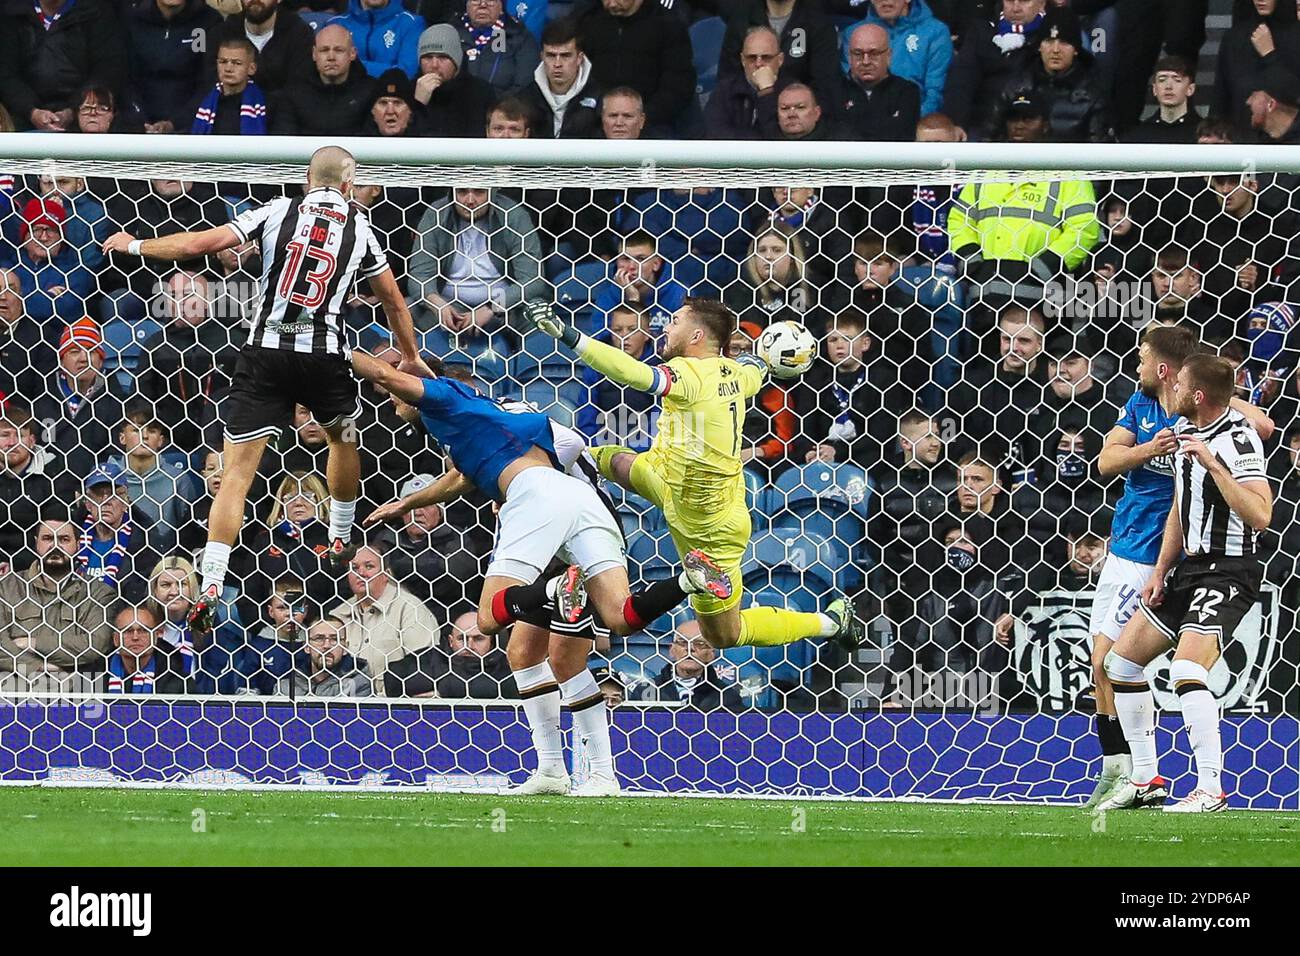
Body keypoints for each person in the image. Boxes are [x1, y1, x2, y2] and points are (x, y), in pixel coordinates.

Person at [102, 145, 428, 635]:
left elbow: (196, 248)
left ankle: (210, 580)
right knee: (343, 439)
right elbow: (395, 304)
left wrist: (133, 245)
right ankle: (340, 534)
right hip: (323, 355)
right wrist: (410, 355)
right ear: (348, 184)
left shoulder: (278, 211)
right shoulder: (362, 230)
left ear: (305, 180)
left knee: (237, 474)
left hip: (265, 355)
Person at [524, 296, 863, 653]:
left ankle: (830, 621)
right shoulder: (736, 373)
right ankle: (541, 480)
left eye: (674, 321)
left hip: (708, 524)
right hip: (671, 480)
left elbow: (630, 371)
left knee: (724, 636)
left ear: (697, 334)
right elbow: (758, 369)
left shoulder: (689, 374)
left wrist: (567, 334)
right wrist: (766, 360)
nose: (666, 328)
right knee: (599, 459)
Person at [346, 349, 727, 652]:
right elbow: (462, 477)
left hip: (534, 495)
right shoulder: (476, 418)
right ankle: (689, 578)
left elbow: (382, 374)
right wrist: (405, 504)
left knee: (487, 619)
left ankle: (553, 590)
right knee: (621, 617)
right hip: (580, 498)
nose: (392, 401)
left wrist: (327, 346)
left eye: (398, 394)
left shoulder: (445, 399)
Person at [363, 380, 624, 795]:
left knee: (564, 657)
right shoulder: (485, 431)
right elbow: (459, 477)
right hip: (545, 538)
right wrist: (407, 504)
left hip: (574, 537)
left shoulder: (504, 423)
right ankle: (553, 771)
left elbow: (572, 447)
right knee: (522, 652)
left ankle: (603, 774)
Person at [1089, 327, 1273, 809]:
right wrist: (1160, 571)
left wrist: (1215, 466)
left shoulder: (1236, 440)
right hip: (1184, 568)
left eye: (1179, 384)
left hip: (1228, 570)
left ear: (1195, 392)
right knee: (1119, 664)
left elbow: (1261, 515)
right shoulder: (1186, 434)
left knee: (1187, 668)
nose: (1168, 389)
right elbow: (1179, 510)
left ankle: (1211, 788)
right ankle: (1145, 779)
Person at [407, 187, 547, 336]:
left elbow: (533, 280)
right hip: (451, 307)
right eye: (462, 192)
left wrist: (491, 308)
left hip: (506, 308)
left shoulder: (514, 215)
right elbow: (419, 277)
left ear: (492, 192)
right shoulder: (435, 214)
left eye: (479, 192)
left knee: (539, 314)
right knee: (405, 309)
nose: (470, 201)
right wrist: (437, 304)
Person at [133, 271, 243, 455]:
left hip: (225, 444)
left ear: (207, 301)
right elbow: (141, 397)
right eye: (173, 296)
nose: (180, 302)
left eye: (188, 295)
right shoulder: (157, 346)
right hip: (168, 446)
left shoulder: (233, 343)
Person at [0, 519, 115, 692]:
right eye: (47, 538)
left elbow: (96, 644)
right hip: (13, 691)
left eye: (64, 539)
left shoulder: (99, 593)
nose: (55, 546)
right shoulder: (7, 587)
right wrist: (39, 667)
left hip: (76, 692)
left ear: (78, 545)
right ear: (35, 543)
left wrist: (33, 643)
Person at [990, 5, 1112, 143]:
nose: (1055, 50)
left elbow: (1099, 152)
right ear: (1039, 47)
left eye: (1064, 43)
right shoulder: (1015, 86)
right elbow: (991, 138)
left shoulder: (1092, 94)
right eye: (1049, 41)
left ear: (1076, 49)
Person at [0, 0, 128, 131]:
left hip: (83, 118)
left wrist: (73, 110)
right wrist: (31, 111)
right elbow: (5, 73)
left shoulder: (97, 11)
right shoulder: (11, 11)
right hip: (22, 118)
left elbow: (108, 68)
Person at [576, 0, 695, 137]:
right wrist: (597, 115)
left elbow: (678, 85)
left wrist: (641, 118)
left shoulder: (668, 25)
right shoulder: (587, 22)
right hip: (596, 122)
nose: (611, 3)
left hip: (652, 124)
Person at [31, 319, 129, 482]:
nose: (84, 358)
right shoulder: (43, 401)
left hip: (99, 489)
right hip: (51, 491)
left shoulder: (118, 403)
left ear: (101, 360)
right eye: (75, 351)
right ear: (62, 361)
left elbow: (116, 455)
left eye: (90, 351)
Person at [104, 405, 203, 555]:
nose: (144, 436)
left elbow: (188, 531)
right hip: (113, 558)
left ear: (161, 441)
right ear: (122, 438)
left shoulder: (177, 480)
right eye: (136, 430)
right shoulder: (104, 479)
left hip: (163, 563)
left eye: (151, 431)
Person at [941, 0, 1047, 141]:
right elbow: (961, 84)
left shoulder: (1051, 34)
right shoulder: (982, 31)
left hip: (1033, 125)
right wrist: (956, 123)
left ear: (1041, 4)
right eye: (1009, 1)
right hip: (984, 125)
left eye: (1024, 1)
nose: (1015, 8)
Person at [719, 0, 839, 113]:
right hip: (748, 113)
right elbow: (727, 79)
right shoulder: (741, 19)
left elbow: (825, 87)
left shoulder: (818, 23)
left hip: (797, 118)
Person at [838, 0, 952, 116]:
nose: (885, 1)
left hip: (915, 122)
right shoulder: (854, 34)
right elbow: (849, 88)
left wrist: (910, 121)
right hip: (864, 121)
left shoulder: (936, 32)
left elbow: (935, 93)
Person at [127, 0, 225, 134]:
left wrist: (174, 124)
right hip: (137, 124)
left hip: (192, 127)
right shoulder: (132, 19)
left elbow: (209, 81)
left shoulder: (208, 21)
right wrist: (141, 120)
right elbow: (124, 77)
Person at [1212, 0, 1300, 141]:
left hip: (1291, 142)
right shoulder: (1234, 37)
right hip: (1240, 140)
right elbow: (1221, 93)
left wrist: (1270, 55)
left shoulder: (1295, 37)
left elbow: (1295, 93)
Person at [271, 24, 377, 136]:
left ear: (352, 53)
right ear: (314, 54)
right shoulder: (293, 93)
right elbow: (284, 139)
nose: (331, 57)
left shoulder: (371, 91)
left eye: (339, 50)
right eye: (324, 50)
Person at [208, 0, 316, 95]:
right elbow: (210, 85)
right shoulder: (222, 34)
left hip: (282, 113)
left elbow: (300, 89)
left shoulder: (299, 34)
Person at [836, 23, 921, 143]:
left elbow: (903, 139)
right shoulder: (832, 91)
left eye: (874, 54)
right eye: (858, 54)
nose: (866, 61)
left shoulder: (907, 92)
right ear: (849, 57)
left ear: (888, 55)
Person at [519, 17, 602, 139]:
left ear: (580, 58)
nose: (557, 64)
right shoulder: (524, 100)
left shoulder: (600, 97)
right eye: (551, 55)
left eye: (566, 56)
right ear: (542, 56)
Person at [0, 405, 62, 566]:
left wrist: (13, 565)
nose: (12, 443)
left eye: (20, 435)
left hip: (34, 568)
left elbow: (53, 535)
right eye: (5, 435)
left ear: (32, 441)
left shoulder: (53, 476)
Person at [411, 23, 498, 137]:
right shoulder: (409, 90)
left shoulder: (480, 92)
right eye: (428, 57)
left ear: (456, 60)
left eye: (443, 57)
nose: (434, 65)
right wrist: (419, 105)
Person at [704, 26, 785, 141]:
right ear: (742, 60)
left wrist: (767, 92)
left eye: (766, 57)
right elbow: (715, 135)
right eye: (752, 58)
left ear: (780, 60)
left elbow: (781, 139)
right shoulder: (724, 91)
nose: (758, 64)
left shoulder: (793, 92)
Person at [642, 620, 744, 710]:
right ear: (672, 650)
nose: (690, 648)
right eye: (683, 642)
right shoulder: (647, 691)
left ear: (711, 654)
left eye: (700, 644)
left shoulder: (726, 697)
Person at [455, 0, 539, 98]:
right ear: (466, 4)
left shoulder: (519, 37)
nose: (483, 5)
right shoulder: (451, 33)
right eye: (476, 0)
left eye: (490, 0)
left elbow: (524, 86)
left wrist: (497, 106)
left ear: (501, 6)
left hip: (503, 108)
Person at [101, 602, 190, 694]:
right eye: (128, 631)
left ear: (155, 637)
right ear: (116, 639)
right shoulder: (94, 676)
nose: (135, 637)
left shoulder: (179, 680)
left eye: (143, 630)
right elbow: (91, 708)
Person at [188, 38, 271, 136]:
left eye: (237, 63)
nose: (228, 69)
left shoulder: (268, 105)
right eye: (223, 62)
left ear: (251, 68)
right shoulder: (201, 102)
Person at [278, 613, 373, 697]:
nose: (327, 646)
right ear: (307, 647)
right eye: (319, 638)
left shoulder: (359, 682)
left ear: (345, 647)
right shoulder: (287, 685)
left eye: (335, 639)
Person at [0, 267, 55, 406]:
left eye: (11, 290)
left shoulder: (41, 337)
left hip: (20, 421)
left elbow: (45, 396)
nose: (3, 296)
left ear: (21, 297)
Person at [328, 0, 425, 79]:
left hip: (390, 98)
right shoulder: (335, 24)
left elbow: (406, 73)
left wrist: (352, 65)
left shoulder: (411, 23)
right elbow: (328, 68)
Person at [1121, 55, 1201, 145]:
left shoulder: (1203, 135)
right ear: (1154, 89)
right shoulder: (1137, 137)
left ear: (1190, 89)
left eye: (1177, 80)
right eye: (1162, 80)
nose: (1168, 86)